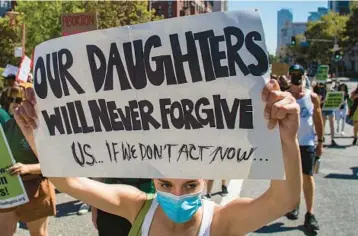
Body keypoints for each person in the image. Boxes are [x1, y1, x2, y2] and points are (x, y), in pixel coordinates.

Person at [15, 82, 302, 236]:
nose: (177, 195)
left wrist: (287, 140)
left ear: (205, 180)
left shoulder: (222, 221)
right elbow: (68, 180)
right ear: (154, 179)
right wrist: (38, 135)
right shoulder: (137, 207)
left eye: (190, 186)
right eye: (165, 184)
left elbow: (283, 201)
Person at [0, 86, 56, 236]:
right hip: (9, 188)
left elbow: (55, 163)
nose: (14, 103)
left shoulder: (42, 126)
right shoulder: (5, 127)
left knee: (38, 234)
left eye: (18, 99)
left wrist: (27, 168)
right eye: (10, 100)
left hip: (35, 186)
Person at [286, 64, 324, 232]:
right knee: (292, 177)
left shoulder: (312, 97)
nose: (296, 76)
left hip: (307, 143)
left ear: (304, 75)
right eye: (293, 74)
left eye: (299, 74)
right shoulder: (284, 96)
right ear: (289, 75)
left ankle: (310, 213)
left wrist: (320, 142)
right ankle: (294, 204)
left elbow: (318, 119)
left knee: (307, 177)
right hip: (288, 143)